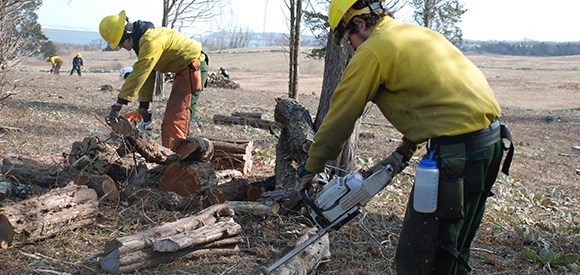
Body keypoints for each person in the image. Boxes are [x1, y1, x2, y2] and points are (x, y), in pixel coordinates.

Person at [296, 0, 513, 274]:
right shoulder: (416, 34)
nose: (350, 46)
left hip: (458, 157)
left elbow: (340, 117)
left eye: (346, 37)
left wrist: (311, 167)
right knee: (453, 251)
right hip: (491, 145)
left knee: (421, 258)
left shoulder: (373, 52)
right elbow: (439, 101)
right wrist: (405, 149)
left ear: (360, 23)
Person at [99, 10, 208, 148]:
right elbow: (148, 73)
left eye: (120, 44)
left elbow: (140, 72)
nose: (121, 47)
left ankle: (177, 160)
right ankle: (178, 155)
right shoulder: (142, 41)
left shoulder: (150, 41)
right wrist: (143, 106)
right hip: (184, 68)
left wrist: (119, 104)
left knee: (176, 119)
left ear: (127, 35)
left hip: (193, 67)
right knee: (174, 119)